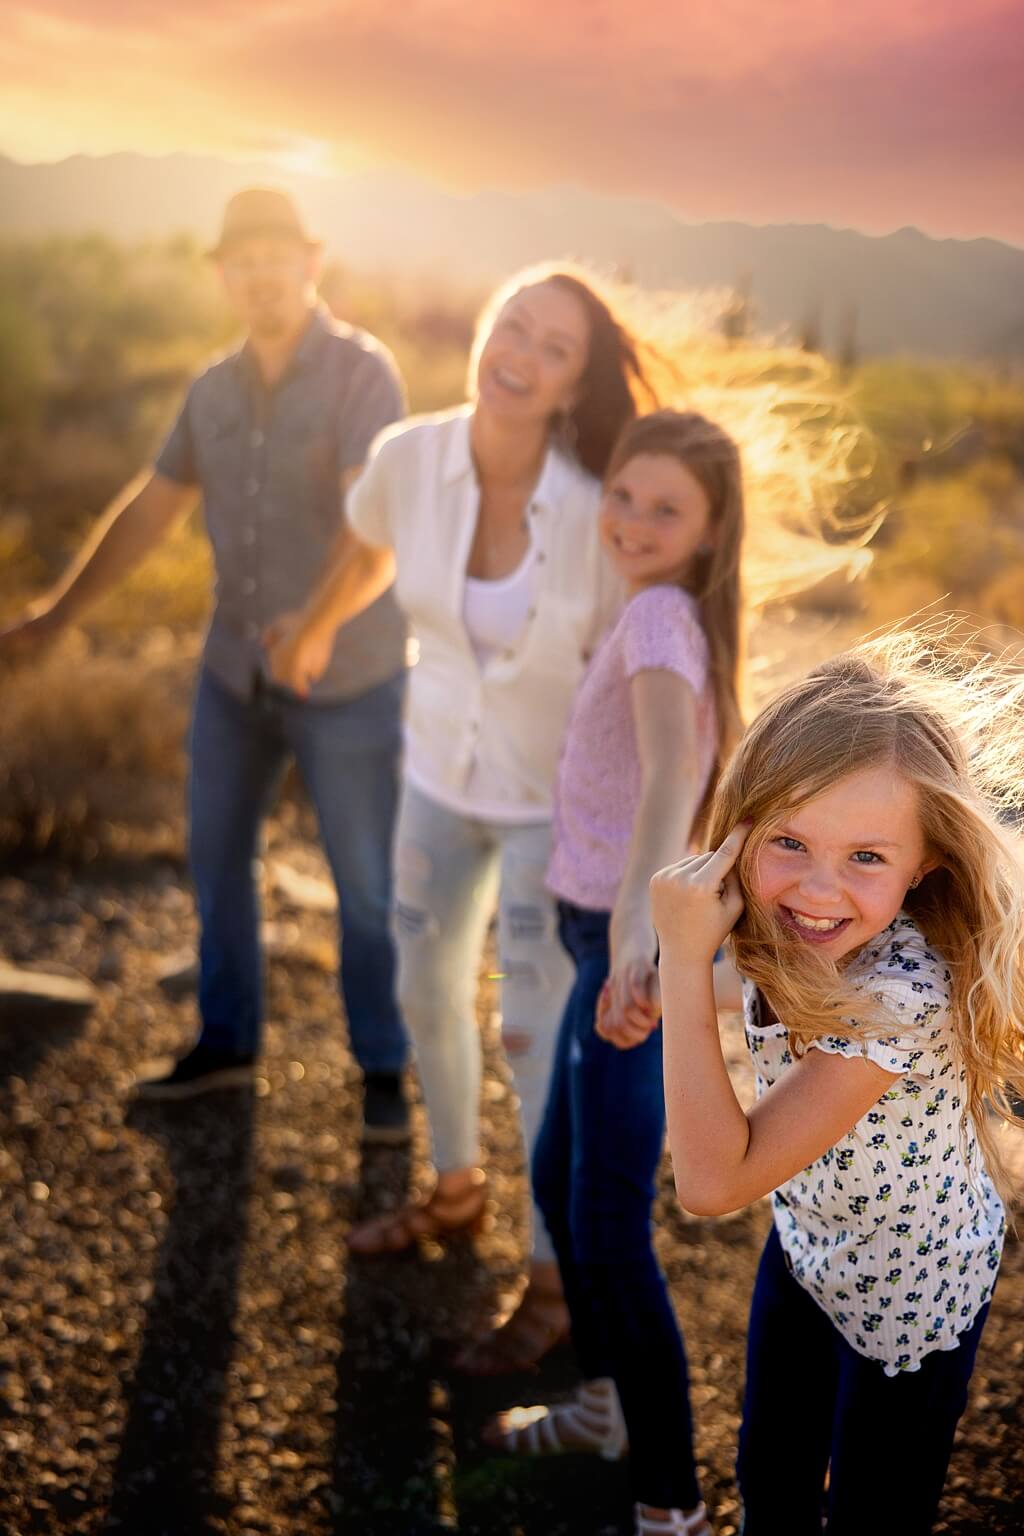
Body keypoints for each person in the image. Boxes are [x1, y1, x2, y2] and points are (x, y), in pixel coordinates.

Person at [265, 264, 657, 1371]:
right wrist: (309, 626)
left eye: (554, 349)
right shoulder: (409, 457)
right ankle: (452, 1189)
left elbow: (629, 670)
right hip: (436, 776)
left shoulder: (593, 514)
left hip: (550, 814)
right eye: (512, 325)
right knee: (421, 986)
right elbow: (366, 549)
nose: (519, 353)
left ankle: (549, 1279)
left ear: (575, 387)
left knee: (529, 1036)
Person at [0, 187, 412, 1140]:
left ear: (310, 264)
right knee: (218, 859)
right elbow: (151, 508)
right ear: (223, 275)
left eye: (280, 256)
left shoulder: (362, 374)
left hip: (347, 680)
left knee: (365, 884)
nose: (262, 275)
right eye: (244, 260)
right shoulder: (211, 391)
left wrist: (311, 625)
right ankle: (226, 1048)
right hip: (233, 675)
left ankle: (384, 1071)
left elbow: (376, 527)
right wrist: (58, 614)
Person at [654, 632, 1024, 1535]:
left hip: (914, 1295)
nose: (818, 891)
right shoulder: (774, 917)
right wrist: (656, 970)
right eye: (788, 839)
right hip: (809, 1247)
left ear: (927, 860)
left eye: (867, 857)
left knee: (869, 1516)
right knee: (769, 1484)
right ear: (738, 832)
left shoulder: (901, 997)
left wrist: (673, 961)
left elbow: (711, 1183)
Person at [481, 411, 745, 1536]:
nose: (634, 522)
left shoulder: (656, 617)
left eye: (665, 508)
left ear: (709, 529)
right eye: (624, 495)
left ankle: (669, 1503)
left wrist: (643, 932)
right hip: (601, 932)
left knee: (605, 1220)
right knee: (558, 1186)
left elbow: (669, 779)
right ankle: (604, 1411)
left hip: (622, 948)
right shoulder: (667, 613)